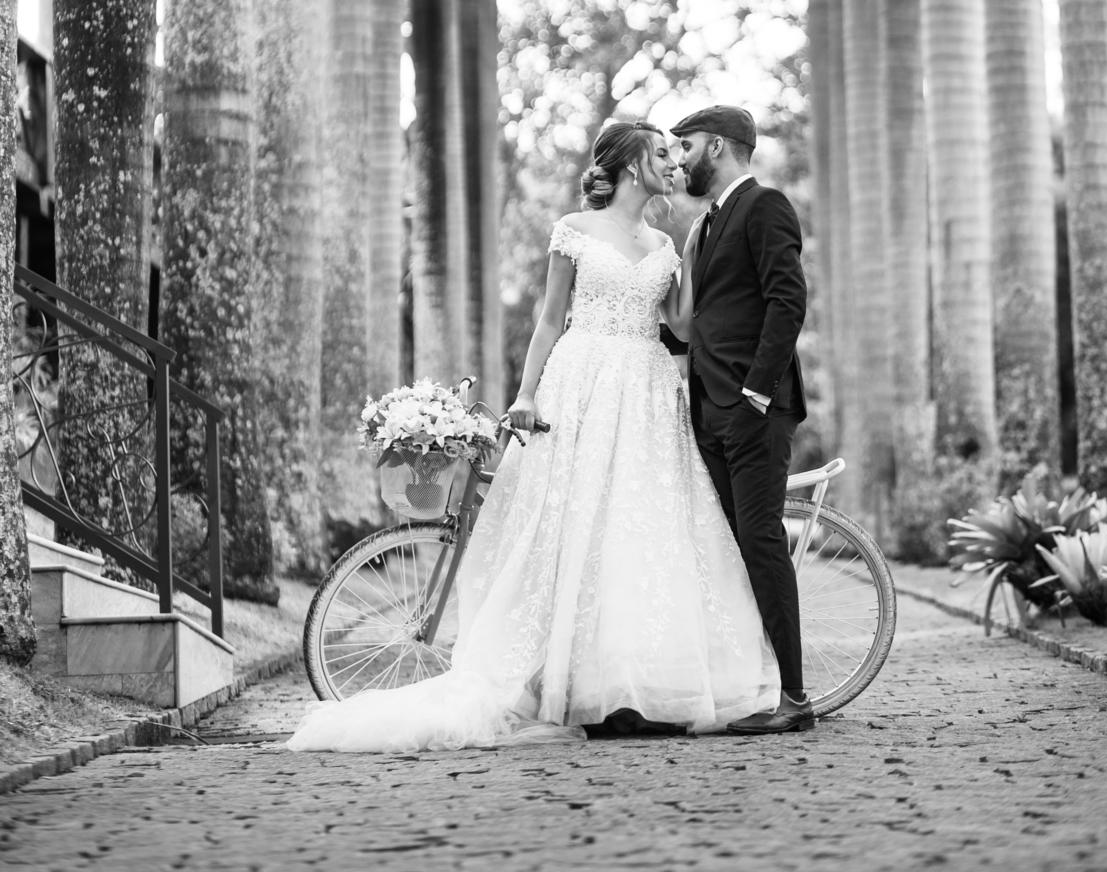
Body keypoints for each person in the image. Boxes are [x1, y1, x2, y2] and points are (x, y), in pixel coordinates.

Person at [287, 117, 778, 753]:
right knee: (574, 525)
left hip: (649, 389)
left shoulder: (667, 242)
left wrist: (696, 251)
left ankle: (633, 688)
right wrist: (524, 395)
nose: (673, 163)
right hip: (581, 381)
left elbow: (681, 326)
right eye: (661, 153)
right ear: (632, 164)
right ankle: (566, 684)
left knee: (642, 529)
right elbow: (549, 321)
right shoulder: (574, 231)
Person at [671, 103, 813, 734]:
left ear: (718, 147)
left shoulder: (765, 206)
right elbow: (704, 320)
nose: (680, 158)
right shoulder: (705, 224)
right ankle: (755, 684)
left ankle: (796, 699)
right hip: (709, 409)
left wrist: (758, 390)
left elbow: (788, 300)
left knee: (759, 540)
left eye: (688, 145)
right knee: (734, 547)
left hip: (755, 409)